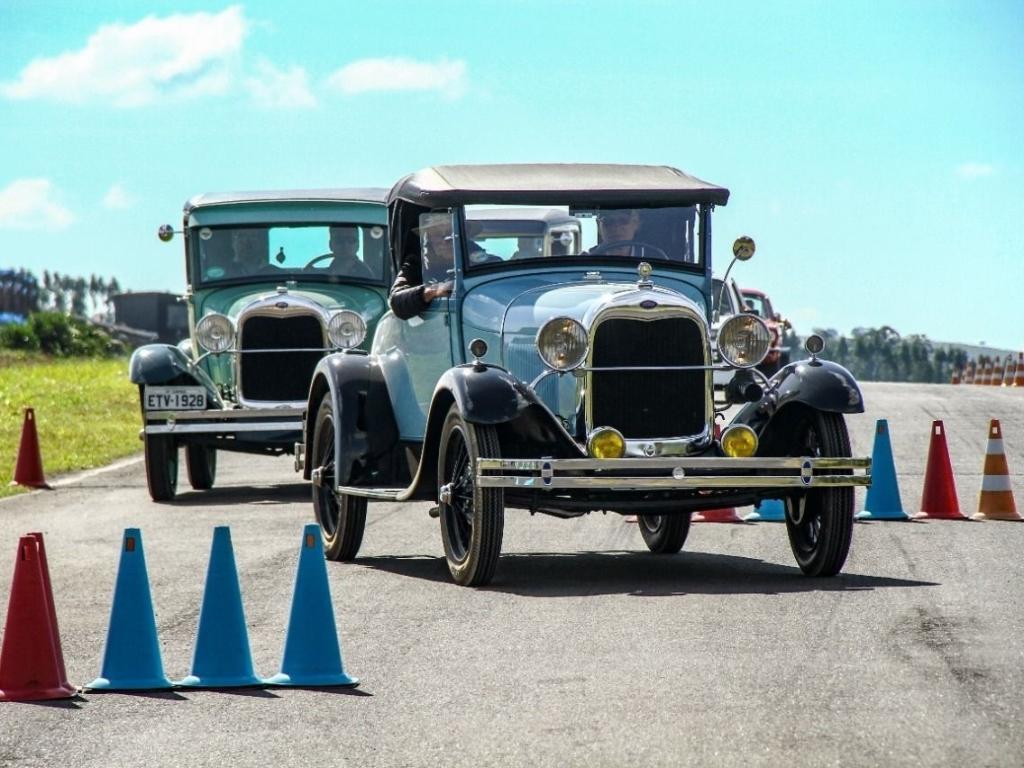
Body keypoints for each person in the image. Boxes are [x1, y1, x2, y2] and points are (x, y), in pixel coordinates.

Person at [389, 215, 456, 319]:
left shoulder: (477, 259)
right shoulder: (417, 262)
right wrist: (433, 291)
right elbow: (396, 302)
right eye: (437, 234)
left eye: (451, 233)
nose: (445, 240)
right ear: (429, 239)